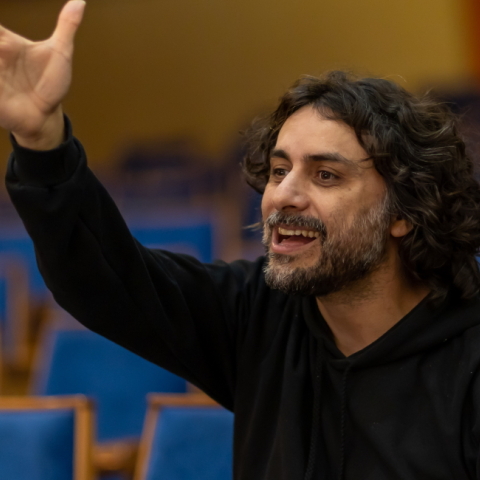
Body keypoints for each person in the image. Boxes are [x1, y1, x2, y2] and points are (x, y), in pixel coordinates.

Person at [3, 1, 480, 479]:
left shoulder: (468, 357)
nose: (284, 195)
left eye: (326, 175)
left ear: (403, 212)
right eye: (279, 170)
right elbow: (101, 278)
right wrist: (41, 140)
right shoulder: (256, 312)